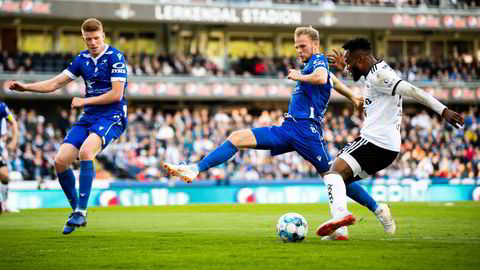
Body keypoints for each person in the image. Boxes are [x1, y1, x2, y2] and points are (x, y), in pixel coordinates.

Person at [164, 27, 394, 240]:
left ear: (315, 44)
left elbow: (323, 77)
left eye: (302, 45)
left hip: (307, 132)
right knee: (237, 138)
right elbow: (331, 80)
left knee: (333, 175)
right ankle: (195, 169)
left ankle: (377, 209)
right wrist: (352, 96)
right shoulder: (313, 64)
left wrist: (298, 76)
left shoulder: (318, 60)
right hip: (289, 129)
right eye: (296, 47)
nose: (298, 50)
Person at [315, 37, 464, 238]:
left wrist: (443, 110)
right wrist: (344, 68)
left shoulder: (381, 75)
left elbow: (413, 90)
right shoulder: (372, 72)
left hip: (375, 142)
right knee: (341, 181)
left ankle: (340, 225)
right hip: (387, 148)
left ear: (360, 59)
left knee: (332, 174)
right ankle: (380, 211)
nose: (347, 67)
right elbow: (362, 78)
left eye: (349, 62)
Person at [7, 18, 128, 234]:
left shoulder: (115, 57)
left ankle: (81, 210)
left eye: (96, 38)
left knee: (86, 151)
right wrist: (26, 87)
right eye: (88, 39)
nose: (93, 42)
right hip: (89, 116)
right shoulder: (81, 59)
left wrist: (84, 101)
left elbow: (116, 94)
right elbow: (55, 83)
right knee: (60, 161)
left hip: (112, 116)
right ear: (83, 39)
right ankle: (78, 212)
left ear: (103, 36)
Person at [0, 102, 18, 214]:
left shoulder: (2, 107)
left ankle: (5, 204)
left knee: (5, 175)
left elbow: (13, 122)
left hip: (0, 145)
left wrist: (14, 140)